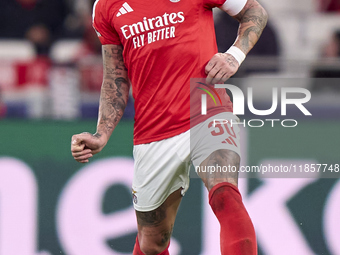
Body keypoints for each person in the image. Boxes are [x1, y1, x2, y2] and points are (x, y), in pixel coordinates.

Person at [71, 0, 267, 254]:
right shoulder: (105, 7)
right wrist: (101, 133)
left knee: (225, 193)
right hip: (153, 130)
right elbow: (115, 75)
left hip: (207, 109)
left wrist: (234, 55)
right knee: (152, 244)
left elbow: (255, 11)